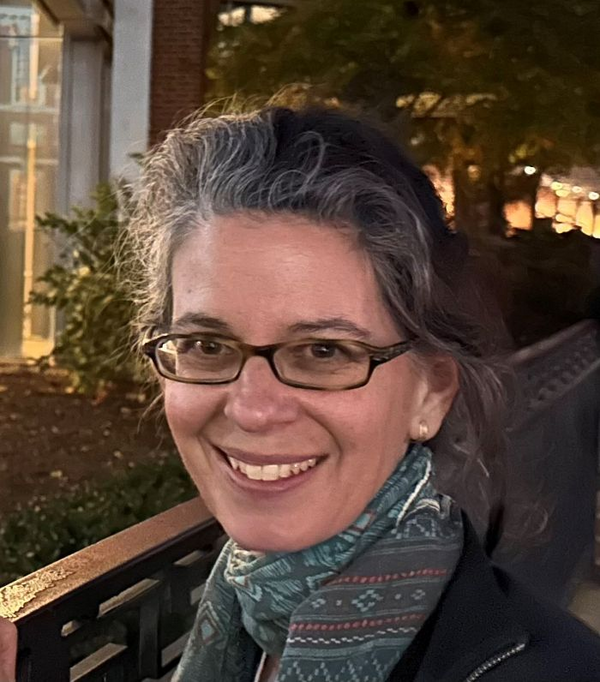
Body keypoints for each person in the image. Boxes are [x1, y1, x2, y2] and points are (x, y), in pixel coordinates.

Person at [2, 105, 600, 681]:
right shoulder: (248, 618)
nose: (253, 409)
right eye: (207, 345)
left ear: (430, 394)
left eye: (323, 352)